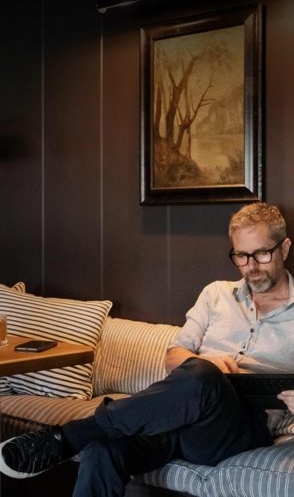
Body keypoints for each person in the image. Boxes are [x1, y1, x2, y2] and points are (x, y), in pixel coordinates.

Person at [1, 201, 294, 497]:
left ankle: (69, 435)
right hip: (179, 415)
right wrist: (209, 365)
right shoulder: (216, 294)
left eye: (262, 254)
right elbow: (173, 357)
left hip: (238, 428)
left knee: (203, 376)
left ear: (284, 248)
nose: (251, 267)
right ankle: (83, 437)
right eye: (241, 256)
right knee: (103, 450)